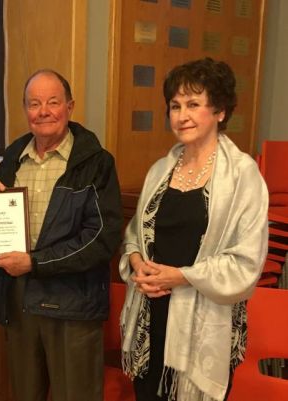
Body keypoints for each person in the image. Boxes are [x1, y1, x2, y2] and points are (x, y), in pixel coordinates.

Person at [119, 57, 269, 401]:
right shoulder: (160, 169)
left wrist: (182, 276)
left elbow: (247, 263)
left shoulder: (242, 175)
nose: (181, 115)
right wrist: (138, 260)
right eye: (175, 105)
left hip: (205, 322)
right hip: (152, 313)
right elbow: (134, 235)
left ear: (220, 111)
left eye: (193, 104)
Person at [0, 69, 123, 401]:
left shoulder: (96, 162)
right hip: (18, 298)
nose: (43, 111)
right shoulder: (12, 158)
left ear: (70, 106)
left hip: (73, 303)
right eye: (34, 103)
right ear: (25, 110)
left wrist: (35, 263)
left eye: (53, 102)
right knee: (25, 394)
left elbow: (101, 238)